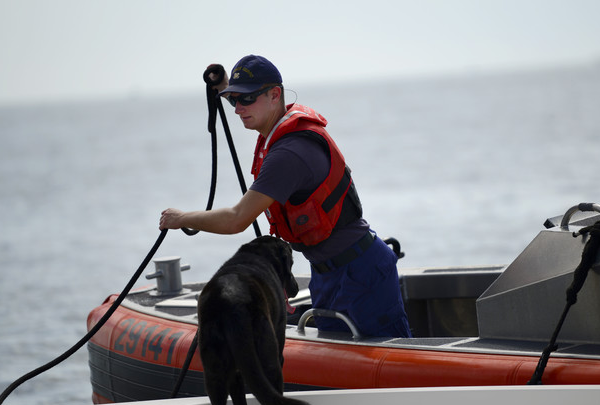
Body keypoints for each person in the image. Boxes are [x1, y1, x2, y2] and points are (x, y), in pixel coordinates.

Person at [159, 54, 411, 338]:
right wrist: (224, 86)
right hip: (328, 272)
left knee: (382, 356)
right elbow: (248, 99)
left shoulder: (288, 155)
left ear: (275, 94)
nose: (238, 108)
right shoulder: (277, 128)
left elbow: (236, 220)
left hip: (360, 272)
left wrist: (180, 218)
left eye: (247, 99)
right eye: (234, 100)